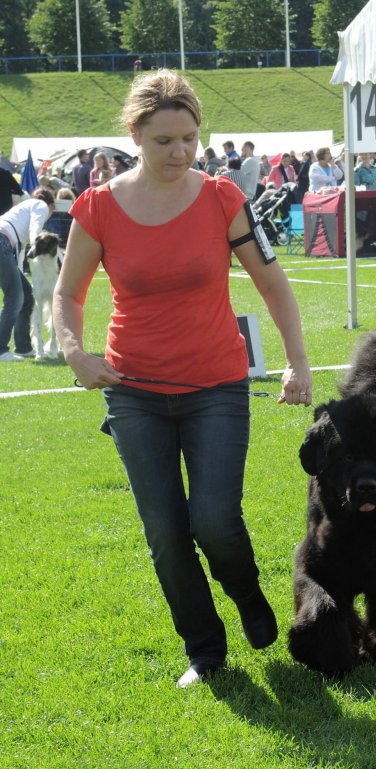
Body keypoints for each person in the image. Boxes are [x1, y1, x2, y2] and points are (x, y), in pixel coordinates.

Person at [52, 69, 312, 689]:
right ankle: (205, 651)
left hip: (216, 387)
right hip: (133, 391)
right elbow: (67, 293)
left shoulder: (224, 199)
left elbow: (272, 281)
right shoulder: (97, 207)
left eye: (190, 138)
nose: (180, 152)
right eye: (165, 140)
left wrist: (297, 362)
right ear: (135, 135)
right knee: (167, 533)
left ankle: (247, 593)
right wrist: (75, 353)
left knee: (214, 520)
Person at [0, 187, 56, 361]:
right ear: (52, 205)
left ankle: (23, 347)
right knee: (15, 297)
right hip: (2, 243)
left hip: (6, 245)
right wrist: (36, 244)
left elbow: (19, 254)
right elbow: (35, 229)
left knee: (25, 295)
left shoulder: (24, 208)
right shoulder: (40, 205)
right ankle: (1, 350)